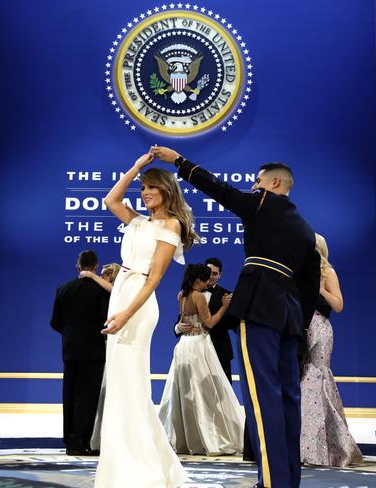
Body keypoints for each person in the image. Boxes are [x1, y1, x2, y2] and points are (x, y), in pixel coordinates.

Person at [152, 146, 320, 488]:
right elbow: (310, 282)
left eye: (258, 181)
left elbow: (219, 189)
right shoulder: (305, 228)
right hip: (290, 315)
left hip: (259, 305)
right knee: (289, 397)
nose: (254, 186)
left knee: (262, 397)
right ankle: (288, 481)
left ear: (273, 183)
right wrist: (300, 327)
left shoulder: (261, 203)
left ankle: (272, 482)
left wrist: (179, 162)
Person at [94, 150, 197, 488]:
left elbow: (154, 279)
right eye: (142, 188)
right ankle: (123, 459)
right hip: (121, 295)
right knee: (119, 383)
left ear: (166, 191)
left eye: (150, 187)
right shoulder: (139, 221)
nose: (144, 192)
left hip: (137, 304)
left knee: (131, 383)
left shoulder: (170, 225)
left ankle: (140, 464)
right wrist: (137, 166)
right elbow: (111, 198)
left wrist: (125, 313)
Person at [158, 263, 244, 456]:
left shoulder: (182, 295)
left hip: (184, 346)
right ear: (199, 279)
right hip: (199, 346)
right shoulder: (198, 296)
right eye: (206, 278)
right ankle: (208, 437)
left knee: (185, 391)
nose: (208, 282)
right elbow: (210, 323)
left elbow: (186, 319)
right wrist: (223, 307)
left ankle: (187, 438)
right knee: (206, 392)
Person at [300, 233, 362, 467]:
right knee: (302, 381)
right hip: (300, 326)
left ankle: (318, 449)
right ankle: (305, 447)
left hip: (320, 328)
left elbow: (338, 304)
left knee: (316, 379)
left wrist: (319, 289)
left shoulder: (328, 272)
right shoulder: (299, 270)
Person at [50, 250, 110, 456]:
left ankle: (70, 441)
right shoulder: (102, 291)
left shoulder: (63, 289)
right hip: (94, 350)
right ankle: (84, 441)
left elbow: (55, 322)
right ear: (96, 267)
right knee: (88, 397)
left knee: (70, 395)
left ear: (77, 266)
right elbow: (106, 319)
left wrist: (70, 335)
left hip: (70, 350)